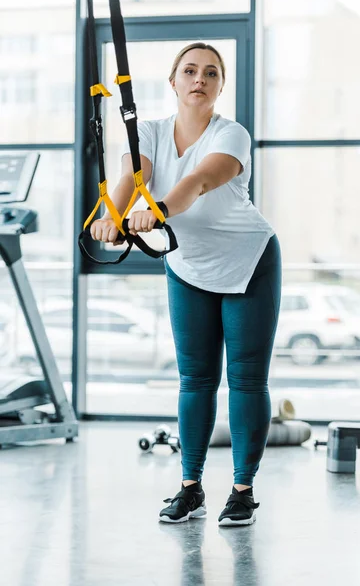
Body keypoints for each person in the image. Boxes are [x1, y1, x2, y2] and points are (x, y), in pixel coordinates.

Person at [90, 42, 282, 527]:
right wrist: (108, 217)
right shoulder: (149, 132)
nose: (200, 78)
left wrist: (155, 212)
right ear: (173, 82)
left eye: (211, 73)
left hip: (249, 261)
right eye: (190, 71)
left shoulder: (231, 134)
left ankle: (242, 491)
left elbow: (198, 181)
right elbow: (135, 178)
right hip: (189, 265)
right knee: (195, 380)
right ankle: (190, 487)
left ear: (220, 86)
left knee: (244, 378)